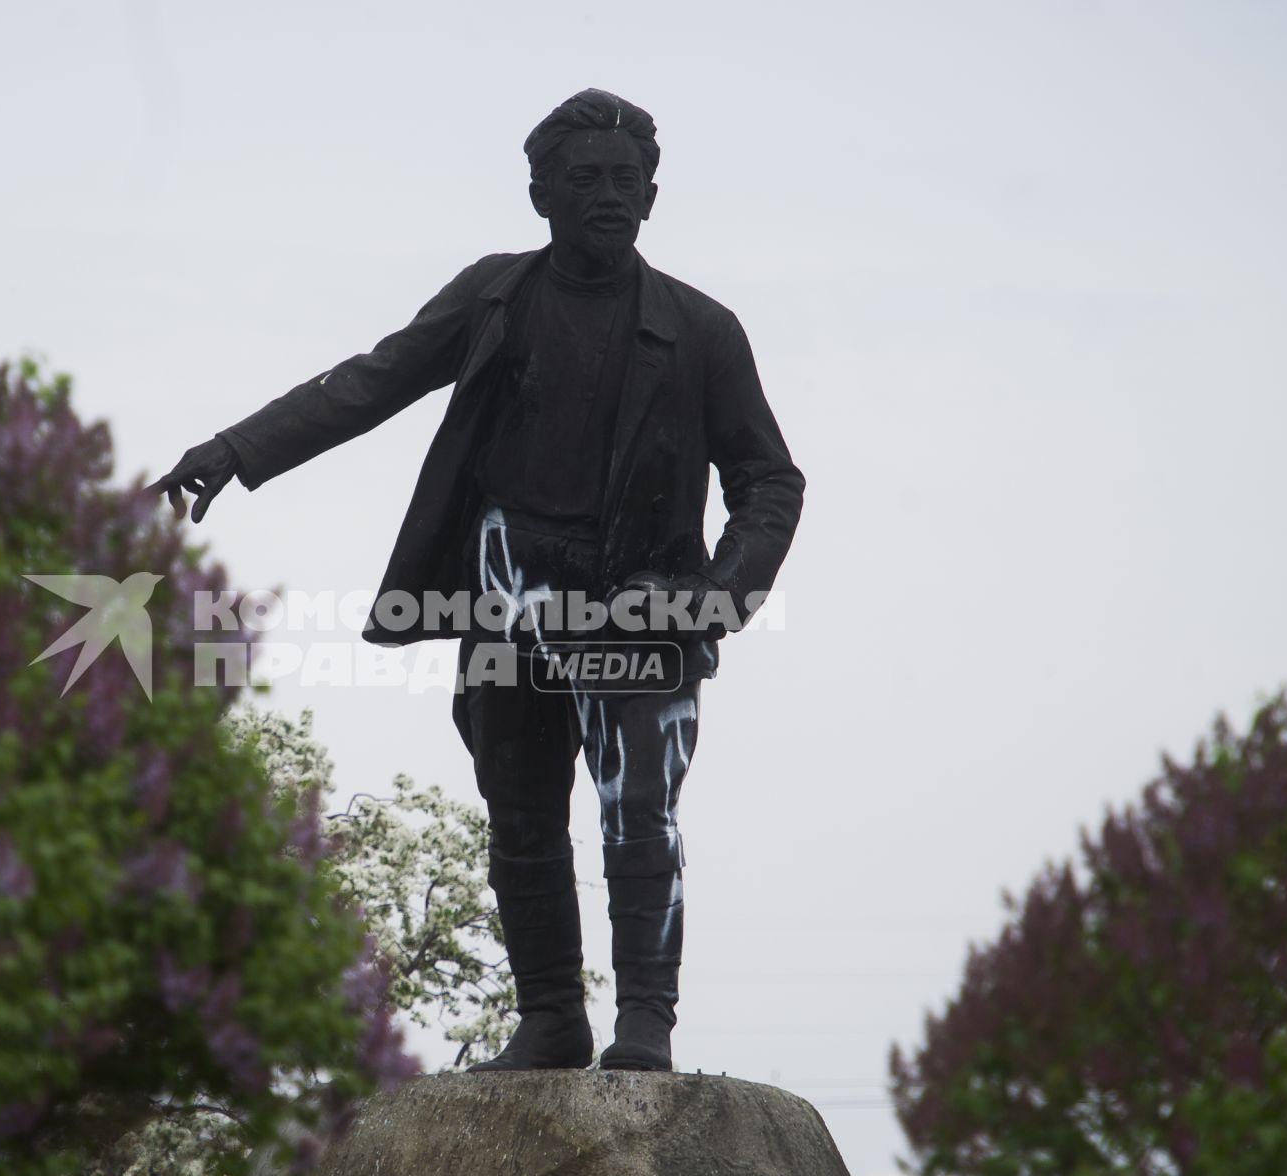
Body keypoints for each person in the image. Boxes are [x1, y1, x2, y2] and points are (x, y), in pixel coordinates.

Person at [151, 89, 804, 1072]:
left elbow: (767, 478)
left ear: (654, 196)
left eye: (627, 181)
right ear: (541, 193)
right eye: (586, 179)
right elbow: (371, 381)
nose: (609, 197)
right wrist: (241, 448)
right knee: (523, 813)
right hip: (508, 604)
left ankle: (645, 1026)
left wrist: (722, 592)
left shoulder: (703, 332)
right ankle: (551, 1018)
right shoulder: (496, 297)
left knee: (638, 812)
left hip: (644, 612)